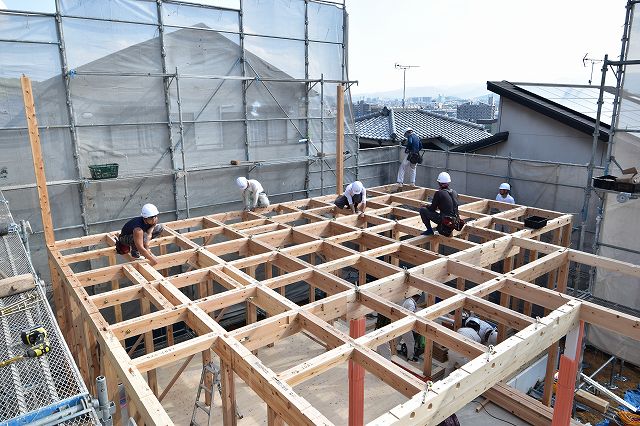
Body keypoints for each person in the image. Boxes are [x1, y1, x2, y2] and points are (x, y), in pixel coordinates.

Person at [419, 172, 461, 237]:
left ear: (439, 183)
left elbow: (432, 208)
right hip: (455, 222)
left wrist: (426, 205)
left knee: (423, 210)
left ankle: (429, 230)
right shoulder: (454, 192)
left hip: (445, 221)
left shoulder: (439, 193)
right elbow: (450, 206)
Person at [400, 294, 421, 362]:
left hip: (401, 324)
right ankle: (410, 358)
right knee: (411, 342)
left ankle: (391, 351)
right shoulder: (411, 304)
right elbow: (410, 316)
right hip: (406, 326)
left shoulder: (408, 301)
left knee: (396, 339)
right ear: (417, 297)